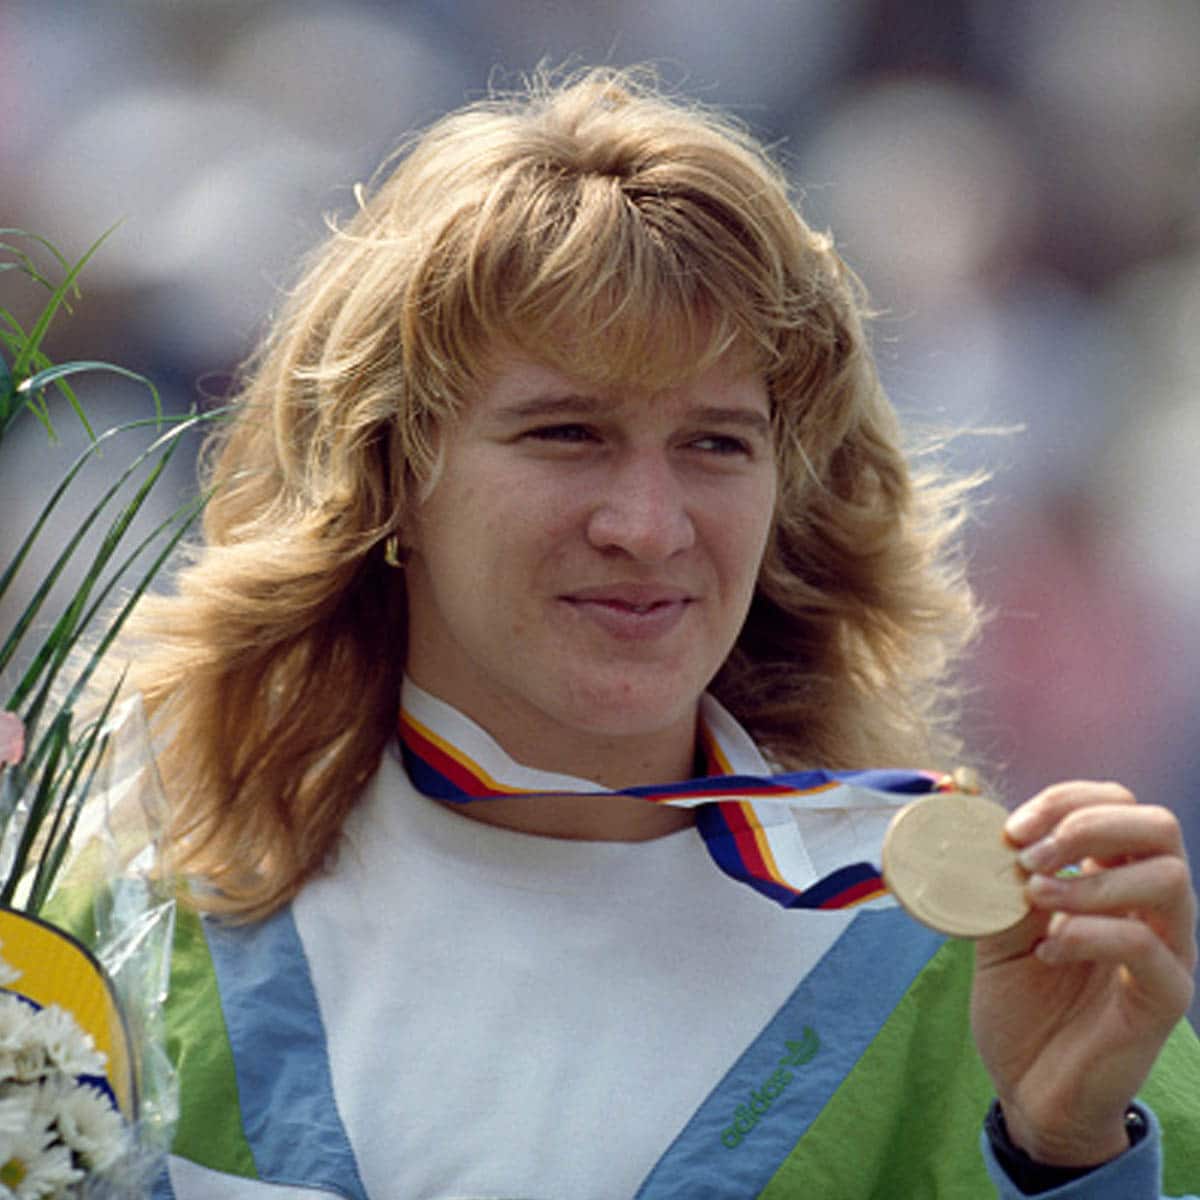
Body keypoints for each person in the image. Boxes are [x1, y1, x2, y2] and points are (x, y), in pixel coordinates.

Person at [107, 67, 1197, 1197]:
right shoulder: (137, 918)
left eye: (717, 444)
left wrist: (1069, 1158)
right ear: (388, 475)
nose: (647, 525)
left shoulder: (973, 967)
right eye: (567, 432)